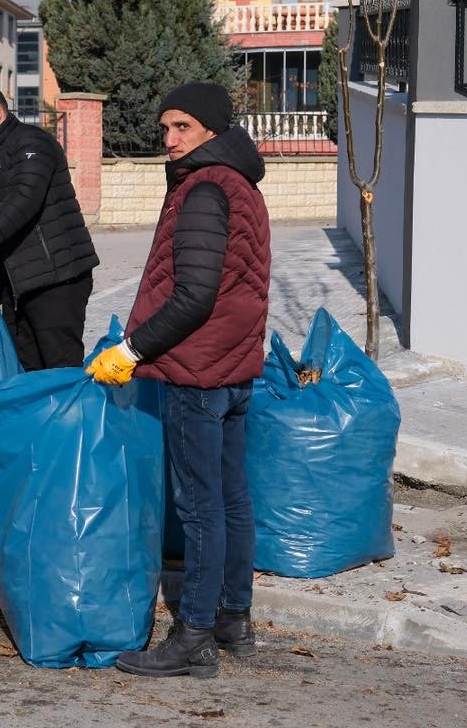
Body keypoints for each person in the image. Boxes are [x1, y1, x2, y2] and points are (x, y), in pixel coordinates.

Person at [88, 82, 271, 678]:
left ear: (212, 131)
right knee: (231, 497)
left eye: (182, 128)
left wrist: (132, 348)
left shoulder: (205, 189)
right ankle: (232, 618)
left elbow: (193, 297)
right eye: (165, 128)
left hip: (197, 371)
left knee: (200, 508)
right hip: (234, 367)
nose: (168, 140)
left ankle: (192, 635)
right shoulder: (240, 184)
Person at [0, 82, 99, 371]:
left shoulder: (32, 142)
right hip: (17, 285)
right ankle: (38, 418)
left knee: (60, 369)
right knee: (25, 371)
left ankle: (73, 418)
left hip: (57, 278)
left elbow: (25, 199)